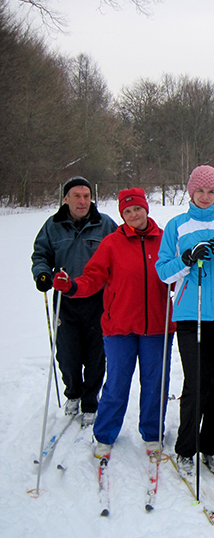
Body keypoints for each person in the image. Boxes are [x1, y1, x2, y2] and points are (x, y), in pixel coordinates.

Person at [52, 188, 176, 457]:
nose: (133, 215)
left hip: (158, 326)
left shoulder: (165, 240)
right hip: (119, 326)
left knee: (156, 383)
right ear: (122, 214)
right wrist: (71, 286)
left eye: (138, 209)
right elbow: (92, 278)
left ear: (146, 209)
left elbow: (177, 276)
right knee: (117, 383)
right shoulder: (111, 243)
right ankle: (105, 433)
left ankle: (152, 433)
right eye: (127, 211)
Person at [156, 165, 214, 474]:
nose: (206, 196)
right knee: (196, 384)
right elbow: (163, 272)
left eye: (211, 191)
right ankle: (186, 449)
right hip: (190, 313)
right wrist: (186, 260)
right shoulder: (177, 226)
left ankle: (213, 447)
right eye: (200, 190)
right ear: (190, 191)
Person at [31, 176, 117, 425]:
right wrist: (43, 274)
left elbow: (118, 255)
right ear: (65, 198)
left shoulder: (105, 225)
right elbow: (40, 255)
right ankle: (74, 392)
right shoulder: (53, 226)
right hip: (65, 300)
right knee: (67, 353)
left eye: (86, 196)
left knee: (95, 353)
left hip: (97, 299)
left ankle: (91, 400)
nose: (82, 201)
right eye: (77, 196)